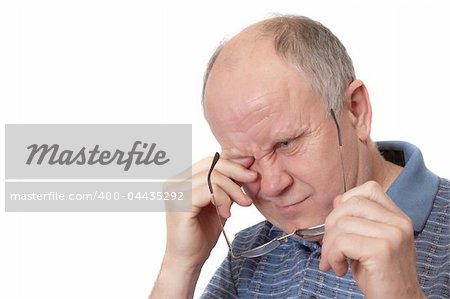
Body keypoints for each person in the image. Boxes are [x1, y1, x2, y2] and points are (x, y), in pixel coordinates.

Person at [150, 15, 449, 298]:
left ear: (355, 110)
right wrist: (179, 266)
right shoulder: (249, 255)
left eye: (286, 143)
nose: (271, 186)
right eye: (243, 158)